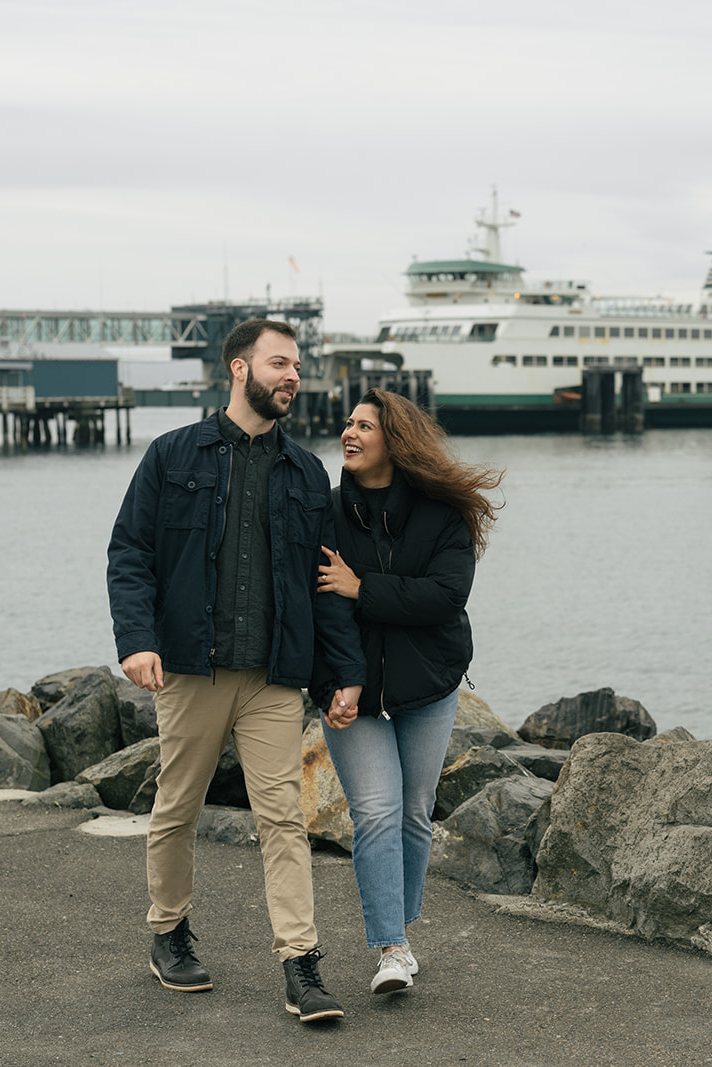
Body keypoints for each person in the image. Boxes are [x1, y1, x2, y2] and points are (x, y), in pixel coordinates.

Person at [107, 318, 366, 1025]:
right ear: (237, 368)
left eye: (297, 367)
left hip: (274, 676)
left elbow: (325, 585)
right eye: (280, 363)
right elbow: (130, 551)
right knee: (177, 808)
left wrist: (344, 671)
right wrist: (136, 638)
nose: (293, 376)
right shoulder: (172, 455)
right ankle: (169, 932)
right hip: (191, 669)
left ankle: (301, 964)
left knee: (283, 816)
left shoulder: (308, 474)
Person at [312, 388, 502, 995]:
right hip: (352, 690)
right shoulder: (329, 510)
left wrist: (362, 586)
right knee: (376, 814)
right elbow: (323, 601)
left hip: (428, 686)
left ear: (395, 440)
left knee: (415, 815)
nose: (349, 432)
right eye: (348, 423)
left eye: (364, 425)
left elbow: (444, 598)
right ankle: (392, 948)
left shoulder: (442, 513)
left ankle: (401, 928)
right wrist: (344, 679)